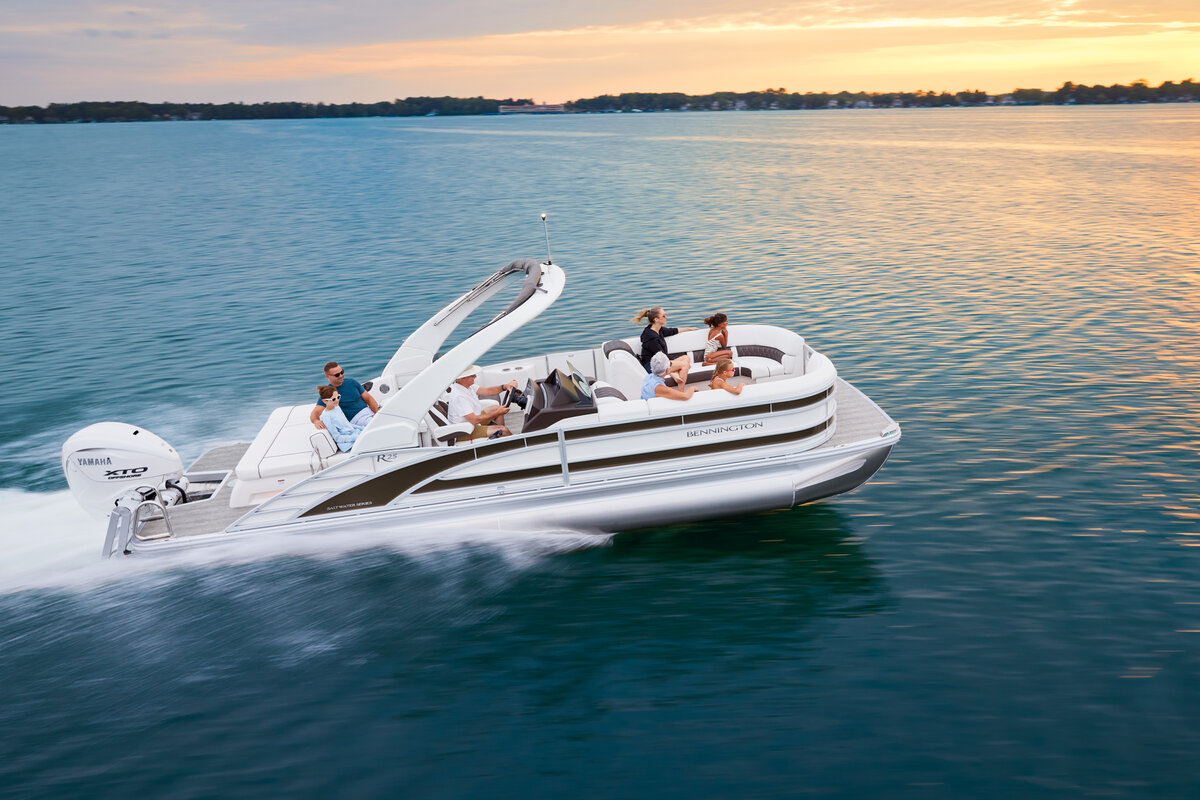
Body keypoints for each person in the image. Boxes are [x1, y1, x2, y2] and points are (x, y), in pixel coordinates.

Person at [447, 365, 519, 439]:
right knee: (504, 430)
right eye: (472, 375)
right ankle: (505, 435)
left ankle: (500, 438)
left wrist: (505, 386)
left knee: (496, 408)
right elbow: (474, 420)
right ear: (462, 378)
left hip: (470, 423)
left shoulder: (468, 387)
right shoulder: (459, 396)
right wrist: (498, 413)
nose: (475, 376)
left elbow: (487, 391)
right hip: (464, 431)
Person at [632, 307, 697, 387]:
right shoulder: (650, 337)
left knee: (686, 358)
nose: (666, 317)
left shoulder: (659, 330)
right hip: (653, 365)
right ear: (656, 319)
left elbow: (673, 330)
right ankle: (681, 391)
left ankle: (673, 373)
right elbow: (661, 356)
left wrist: (689, 329)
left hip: (662, 359)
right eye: (663, 316)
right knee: (685, 365)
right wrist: (677, 365)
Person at [310, 361, 379, 431]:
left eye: (342, 372)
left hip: (369, 413)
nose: (341, 375)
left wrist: (376, 413)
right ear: (327, 376)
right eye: (337, 375)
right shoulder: (328, 392)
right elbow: (316, 412)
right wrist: (316, 421)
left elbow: (369, 399)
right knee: (379, 425)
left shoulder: (352, 382)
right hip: (357, 419)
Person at [314, 385, 366, 452]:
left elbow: (347, 424)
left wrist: (362, 428)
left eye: (338, 397)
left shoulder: (336, 407)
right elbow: (338, 438)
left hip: (354, 434)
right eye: (333, 399)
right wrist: (356, 437)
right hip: (348, 443)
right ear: (325, 401)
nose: (337, 400)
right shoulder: (327, 417)